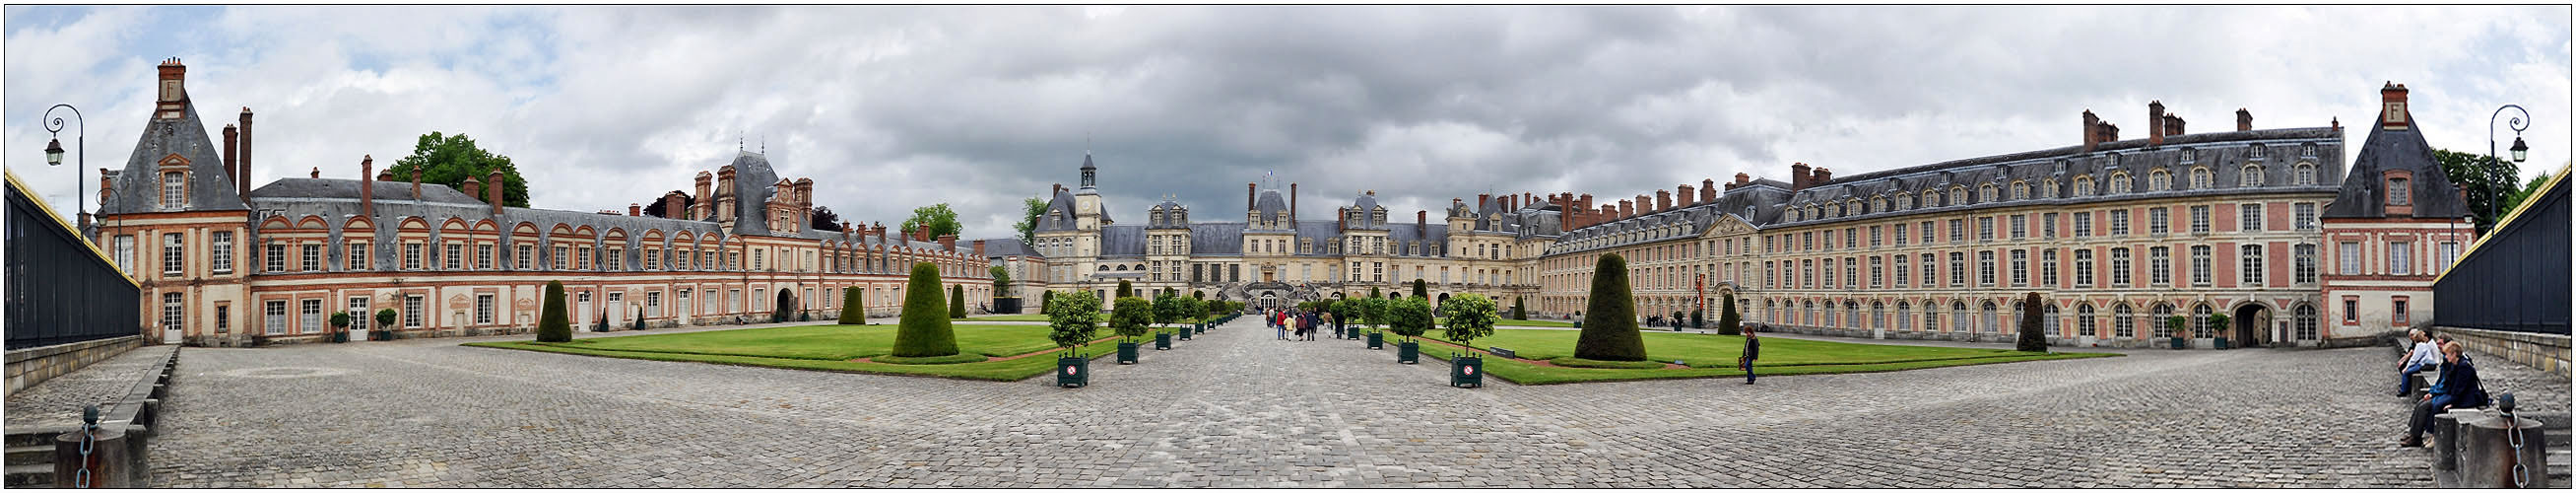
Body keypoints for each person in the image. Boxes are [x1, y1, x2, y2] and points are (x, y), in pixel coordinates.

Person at [2404, 341, 2489, 447]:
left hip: (2465, 398)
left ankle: (2433, 434)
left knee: (2436, 405)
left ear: (2454, 354)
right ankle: (2415, 434)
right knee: (2423, 404)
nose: (2445, 356)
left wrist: (2453, 404)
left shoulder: (2464, 367)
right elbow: (2448, 383)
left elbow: (2459, 390)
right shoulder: (2454, 364)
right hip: (2453, 394)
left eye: (2447, 354)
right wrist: (2434, 394)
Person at [2397, 329, 2438, 396]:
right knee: (2409, 371)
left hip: (2427, 364)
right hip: (2426, 363)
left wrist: (2406, 368)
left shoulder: (2420, 346)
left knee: (2406, 372)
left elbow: (2414, 359)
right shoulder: (2423, 345)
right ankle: (2406, 387)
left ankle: (2403, 391)